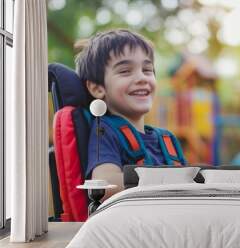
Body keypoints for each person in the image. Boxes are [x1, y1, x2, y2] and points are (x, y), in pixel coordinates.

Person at [75, 29, 186, 201]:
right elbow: (104, 184)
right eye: (125, 71)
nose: (142, 78)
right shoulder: (105, 130)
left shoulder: (168, 140)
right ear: (98, 88)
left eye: (147, 70)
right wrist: (163, 181)